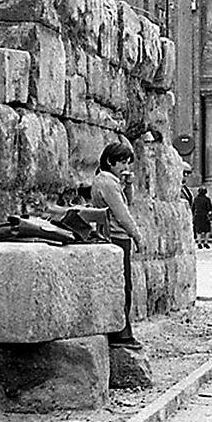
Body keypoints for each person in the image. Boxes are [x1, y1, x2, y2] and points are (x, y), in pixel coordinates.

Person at [91, 140, 147, 350]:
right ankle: (122, 334)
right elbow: (122, 214)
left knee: (124, 286)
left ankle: (122, 331)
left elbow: (127, 203)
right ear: (109, 161)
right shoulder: (107, 182)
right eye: (121, 162)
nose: (125, 167)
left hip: (114, 236)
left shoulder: (110, 181)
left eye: (127, 162)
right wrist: (138, 237)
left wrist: (128, 185)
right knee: (123, 287)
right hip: (117, 237)